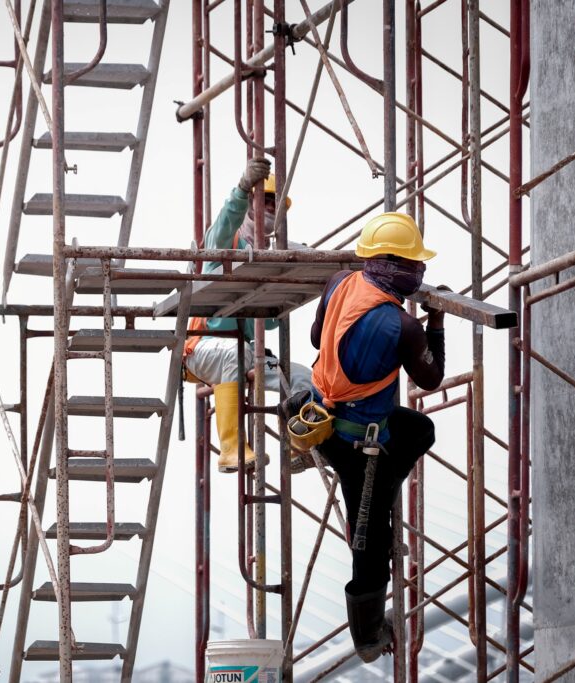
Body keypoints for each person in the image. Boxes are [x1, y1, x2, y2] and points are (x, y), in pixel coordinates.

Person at [291, 212, 445, 662]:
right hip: (363, 445)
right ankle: (367, 636)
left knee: (418, 429)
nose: (419, 272)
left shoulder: (341, 281)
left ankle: (381, 489)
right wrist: (434, 324)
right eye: (414, 264)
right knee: (371, 537)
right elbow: (431, 378)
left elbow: (319, 336)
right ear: (399, 265)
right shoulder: (403, 325)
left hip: (320, 418)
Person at [183, 157, 314, 473]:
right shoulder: (226, 239)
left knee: (303, 378)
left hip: (245, 353)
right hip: (202, 349)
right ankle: (232, 450)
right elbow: (225, 221)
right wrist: (243, 189)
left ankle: (298, 445)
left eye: (275, 204)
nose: (270, 209)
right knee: (236, 353)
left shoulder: (270, 257)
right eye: (264, 200)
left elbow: (268, 321)